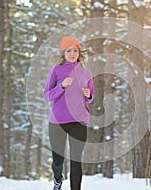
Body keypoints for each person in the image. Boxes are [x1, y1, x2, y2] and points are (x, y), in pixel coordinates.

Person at [44, 36, 94, 190]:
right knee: (58, 161)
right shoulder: (57, 70)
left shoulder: (86, 72)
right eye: (69, 50)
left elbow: (90, 98)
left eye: (75, 50)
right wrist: (62, 86)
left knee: (76, 160)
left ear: (79, 53)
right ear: (63, 53)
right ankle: (58, 179)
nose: (72, 54)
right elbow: (47, 95)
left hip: (79, 120)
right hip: (58, 121)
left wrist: (88, 96)